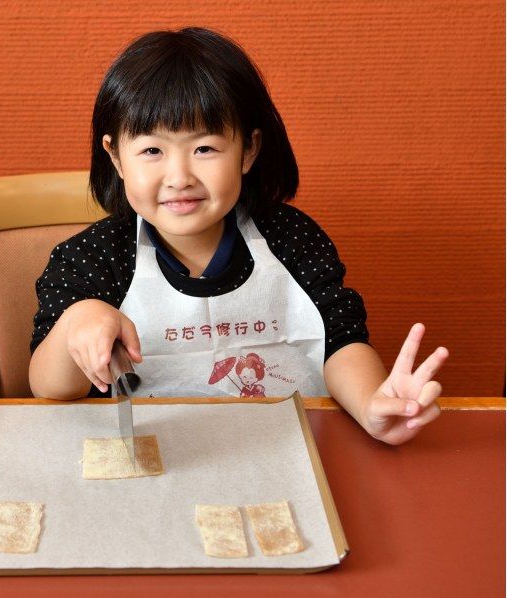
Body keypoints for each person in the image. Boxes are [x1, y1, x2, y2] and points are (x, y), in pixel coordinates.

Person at [28, 27, 448, 445]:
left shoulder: (292, 238)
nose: (179, 177)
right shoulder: (94, 256)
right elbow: (48, 387)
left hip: (288, 449)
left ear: (248, 150)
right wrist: (75, 323)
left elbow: (339, 342)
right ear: (116, 157)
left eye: (204, 149)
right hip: (157, 460)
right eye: (152, 151)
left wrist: (373, 405)